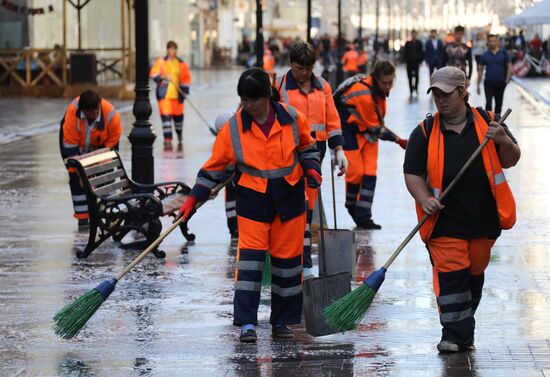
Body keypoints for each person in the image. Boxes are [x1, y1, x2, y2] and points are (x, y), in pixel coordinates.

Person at [177, 68, 321, 343]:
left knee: (288, 266)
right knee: (250, 266)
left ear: (267, 97)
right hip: (253, 203)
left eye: (252, 99)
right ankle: (246, 324)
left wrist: (312, 168)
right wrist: (194, 198)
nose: (247, 105)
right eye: (243, 99)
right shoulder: (233, 128)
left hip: (289, 202)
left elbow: (307, 147)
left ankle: (282, 322)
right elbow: (215, 167)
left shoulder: (292, 118)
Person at [403, 66, 520, 353]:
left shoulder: (489, 122)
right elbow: (412, 173)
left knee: (474, 274)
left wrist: (502, 140)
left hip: (483, 222)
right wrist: (423, 198)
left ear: (462, 92)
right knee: (452, 275)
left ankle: (463, 329)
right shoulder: (425, 131)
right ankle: (453, 335)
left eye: (446, 94)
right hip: (444, 222)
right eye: (435, 94)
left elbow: (512, 159)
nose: (440, 100)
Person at [275, 40, 348, 279]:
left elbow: (332, 119)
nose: (304, 74)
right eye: (299, 68)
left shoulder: (322, 86)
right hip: (288, 152)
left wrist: (339, 150)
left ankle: (304, 263)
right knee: (295, 207)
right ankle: (295, 259)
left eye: (308, 68)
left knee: (308, 207)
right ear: (291, 64)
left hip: (317, 151)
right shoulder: (280, 87)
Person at [334, 61, 407, 229]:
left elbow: (375, 124)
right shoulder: (364, 95)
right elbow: (376, 128)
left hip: (366, 133)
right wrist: (398, 140)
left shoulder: (376, 90)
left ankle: (364, 217)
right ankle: (352, 206)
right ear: (376, 79)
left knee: (370, 174)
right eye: (385, 83)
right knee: (356, 172)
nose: (388, 86)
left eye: (391, 82)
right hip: (349, 132)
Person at [59, 90, 122, 229]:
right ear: (83, 110)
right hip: (77, 148)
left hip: (102, 147)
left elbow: (111, 146)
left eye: (96, 111)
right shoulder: (72, 113)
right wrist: (80, 173)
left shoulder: (112, 115)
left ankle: (109, 213)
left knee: (106, 176)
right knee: (76, 180)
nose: (94, 115)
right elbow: (70, 148)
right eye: (90, 112)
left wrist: (96, 165)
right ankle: (82, 219)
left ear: (99, 105)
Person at [150, 40, 192, 147]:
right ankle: (167, 139)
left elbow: (186, 79)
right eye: (170, 48)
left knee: (178, 119)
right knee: (166, 118)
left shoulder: (182, 64)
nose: (172, 51)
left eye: (174, 49)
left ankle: (179, 134)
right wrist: (163, 77)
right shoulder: (161, 62)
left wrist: (184, 91)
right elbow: (153, 74)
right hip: (165, 96)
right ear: (167, 50)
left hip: (177, 96)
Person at [477, 34, 512, 115]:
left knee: (498, 104)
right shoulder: (484, 55)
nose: (492, 43)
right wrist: (478, 85)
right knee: (488, 103)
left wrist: (507, 78)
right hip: (488, 82)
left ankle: (497, 122)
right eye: (490, 41)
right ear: (488, 43)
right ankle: (488, 121)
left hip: (501, 82)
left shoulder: (504, 53)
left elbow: (509, 66)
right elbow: (480, 70)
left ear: (498, 42)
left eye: (494, 41)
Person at [403, 30, 424, 96]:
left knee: (417, 76)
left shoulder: (419, 43)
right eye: (413, 34)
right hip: (409, 62)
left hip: (416, 62)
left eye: (415, 34)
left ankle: (416, 88)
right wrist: (405, 61)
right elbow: (405, 53)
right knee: (410, 77)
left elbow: (421, 52)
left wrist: (420, 60)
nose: (414, 35)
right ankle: (411, 90)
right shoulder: (408, 43)